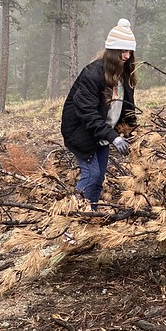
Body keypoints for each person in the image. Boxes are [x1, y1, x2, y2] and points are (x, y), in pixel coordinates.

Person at [61, 19, 138, 210]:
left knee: (99, 178)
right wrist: (114, 138)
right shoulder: (93, 74)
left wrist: (133, 134)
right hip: (81, 133)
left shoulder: (124, 76)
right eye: (123, 51)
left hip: (103, 135)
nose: (127, 56)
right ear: (112, 52)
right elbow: (87, 113)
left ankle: (90, 215)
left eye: (130, 51)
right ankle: (71, 217)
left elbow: (128, 108)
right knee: (91, 175)